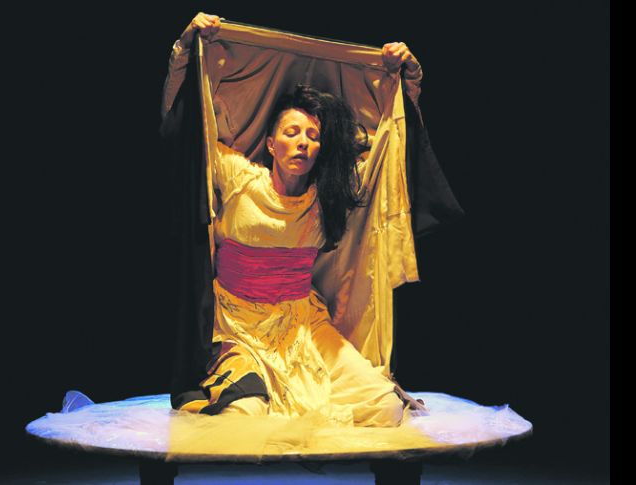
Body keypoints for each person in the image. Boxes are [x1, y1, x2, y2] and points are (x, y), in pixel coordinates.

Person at [162, 13, 433, 427]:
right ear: (271, 144)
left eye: (312, 135)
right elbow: (186, 130)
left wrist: (406, 79)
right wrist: (185, 51)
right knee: (244, 416)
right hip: (238, 328)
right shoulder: (238, 177)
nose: (302, 143)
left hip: (303, 325)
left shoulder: (329, 196)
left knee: (384, 407)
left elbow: (392, 142)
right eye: (291, 133)